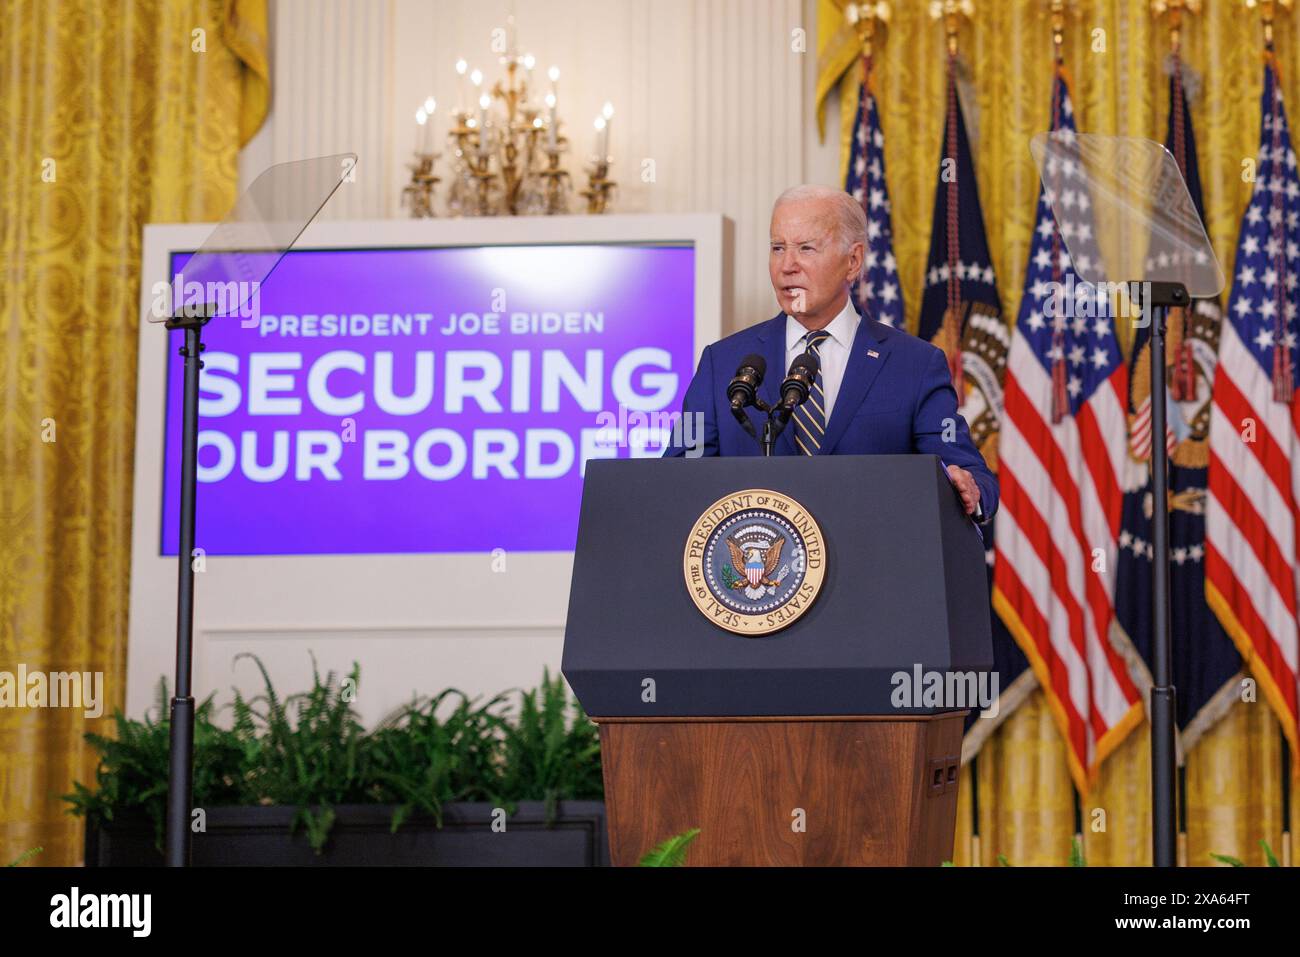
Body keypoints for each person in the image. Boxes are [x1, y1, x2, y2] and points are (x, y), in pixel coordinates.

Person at [663, 184, 996, 523]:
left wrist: (970, 489)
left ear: (853, 261)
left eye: (806, 248)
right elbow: (676, 480)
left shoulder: (916, 365)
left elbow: (968, 471)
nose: (787, 265)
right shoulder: (723, 364)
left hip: (875, 568)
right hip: (757, 569)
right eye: (778, 248)